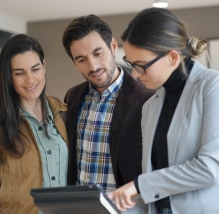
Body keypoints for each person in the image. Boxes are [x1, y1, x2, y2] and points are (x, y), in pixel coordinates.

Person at [108, 8, 219, 214]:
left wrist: (139, 185)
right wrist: (112, 206)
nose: (134, 74)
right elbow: (163, 190)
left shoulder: (217, 86)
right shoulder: (150, 107)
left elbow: (211, 168)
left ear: (172, 57)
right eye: (131, 64)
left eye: (141, 65)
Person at [0, 34, 69, 214]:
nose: (30, 79)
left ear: (44, 66)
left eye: (35, 69)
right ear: (8, 76)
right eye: (19, 73)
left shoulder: (63, 112)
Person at [61, 14, 154, 194]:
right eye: (81, 59)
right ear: (74, 63)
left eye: (98, 53)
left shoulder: (148, 98)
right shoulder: (72, 97)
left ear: (112, 46)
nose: (93, 66)